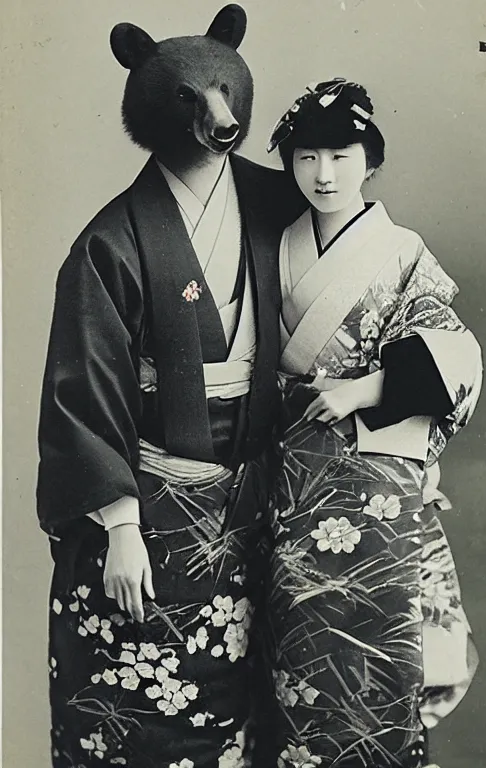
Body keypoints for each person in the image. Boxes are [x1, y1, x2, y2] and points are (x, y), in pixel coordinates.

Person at [36, 7, 303, 767]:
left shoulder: (274, 203)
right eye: (191, 98)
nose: (215, 114)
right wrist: (118, 526)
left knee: (253, 705)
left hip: (256, 507)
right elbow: (81, 392)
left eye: (223, 94)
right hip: (150, 514)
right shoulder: (112, 242)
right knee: (137, 711)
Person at [265, 78, 482, 768]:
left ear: (370, 160)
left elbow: (456, 355)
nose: (323, 175)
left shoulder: (402, 252)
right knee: (294, 661)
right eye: (305, 157)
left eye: (341, 155)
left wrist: (362, 390)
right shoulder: (271, 243)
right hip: (287, 481)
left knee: (376, 655)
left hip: (374, 491)